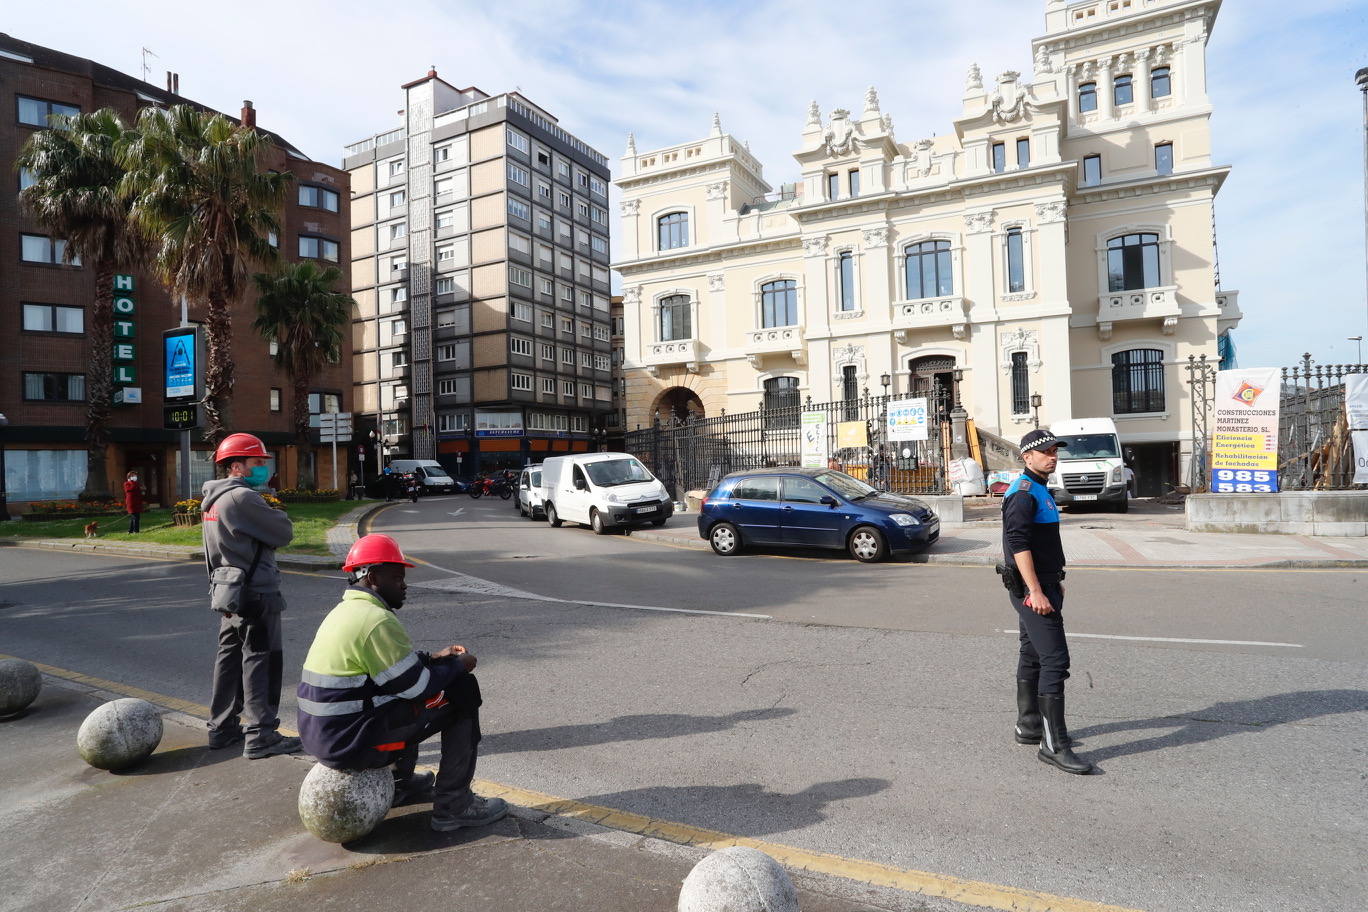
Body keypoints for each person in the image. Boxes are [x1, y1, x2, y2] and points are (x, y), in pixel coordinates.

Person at [297, 533, 508, 831]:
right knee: (462, 692)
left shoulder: (347, 612)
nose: (404, 585)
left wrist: (433, 658)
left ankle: (401, 784)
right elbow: (417, 687)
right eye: (397, 577)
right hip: (351, 744)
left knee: (402, 697)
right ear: (372, 577)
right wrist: (459, 666)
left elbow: (391, 670)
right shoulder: (376, 621)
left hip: (326, 735)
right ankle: (454, 805)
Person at [202, 433, 301, 759]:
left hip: (229, 591)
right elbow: (284, 531)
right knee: (263, 662)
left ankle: (221, 727)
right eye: (257, 462)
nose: (263, 468)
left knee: (229, 661)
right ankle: (261, 735)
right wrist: (273, 510)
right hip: (257, 592)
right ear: (236, 466)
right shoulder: (243, 498)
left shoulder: (213, 500)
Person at [1001, 429, 1093, 775]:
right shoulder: (1024, 493)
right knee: (1056, 662)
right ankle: (1054, 746)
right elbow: (1018, 543)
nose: (1052, 456)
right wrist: (1036, 590)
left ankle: (1029, 726)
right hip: (1033, 592)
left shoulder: (1039, 488)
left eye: (1055, 451)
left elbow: (1043, 546)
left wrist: (1056, 580)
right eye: (1045, 452)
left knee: (1033, 653)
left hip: (1044, 586)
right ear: (1027, 457)